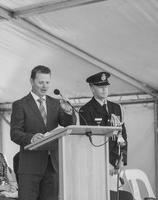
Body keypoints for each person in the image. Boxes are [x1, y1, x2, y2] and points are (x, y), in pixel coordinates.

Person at [10, 65, 77, 200]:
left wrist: (68, 111)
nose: (45, 86)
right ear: (31, 81)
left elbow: (68, 126)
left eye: (47, 82)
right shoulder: (20, 104)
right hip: (30, 165)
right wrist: (31, 137)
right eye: (41, 82)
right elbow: (15, 133)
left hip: (52, 165)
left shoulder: (56, 103)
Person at [79, 72, 133, 200]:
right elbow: (88, 142)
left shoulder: (116, 108)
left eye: (106, 86)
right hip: (97, 164)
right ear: (92, 88)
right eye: (100, 86)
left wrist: (122, 159)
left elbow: (123, 135)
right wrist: (104, 164)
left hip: (115, 162)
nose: (104, 89)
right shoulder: (86, 110)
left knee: (121, 196)